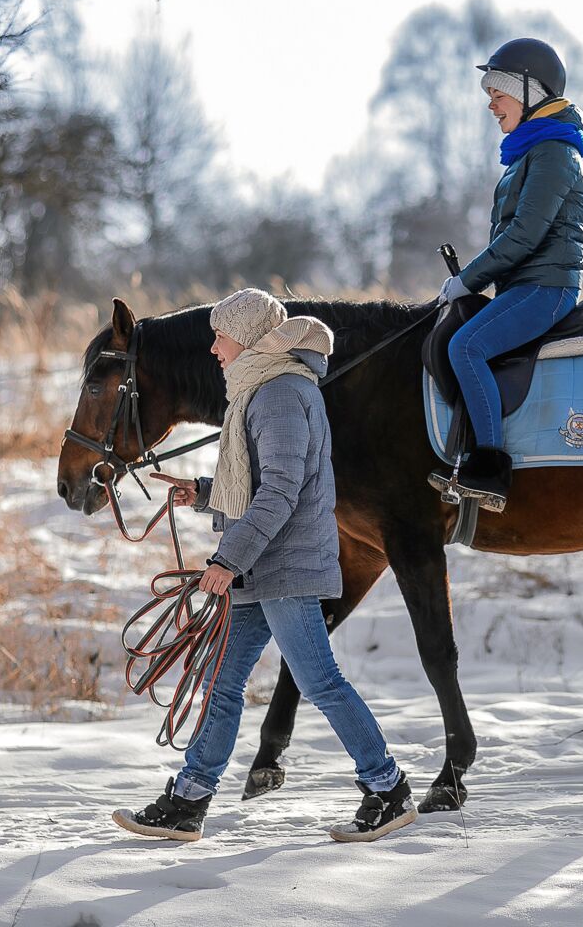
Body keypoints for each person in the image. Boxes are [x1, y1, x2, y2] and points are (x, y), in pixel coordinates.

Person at [112, 288, 416, 844]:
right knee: (223, 684)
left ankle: (387, 788)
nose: (212, 347)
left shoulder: (278, 393)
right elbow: (256, 485)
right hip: (262, 568)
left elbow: (279, 492)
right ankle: (189, 800)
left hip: (285, 567)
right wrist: (203, 493)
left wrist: (228, 560)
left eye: (220, 335)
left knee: (319, 680)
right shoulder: (259, 389)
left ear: (249, 338)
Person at [436, 37, 583, 509]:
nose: (491, 105)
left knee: (467, 346)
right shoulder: (531, 152)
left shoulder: (553, 153)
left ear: (527, 93)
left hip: (545, 288)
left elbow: (523, 236)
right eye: (488, 96)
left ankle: (489, 471)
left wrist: (468, 280)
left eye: (497, 95)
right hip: (524, 286)